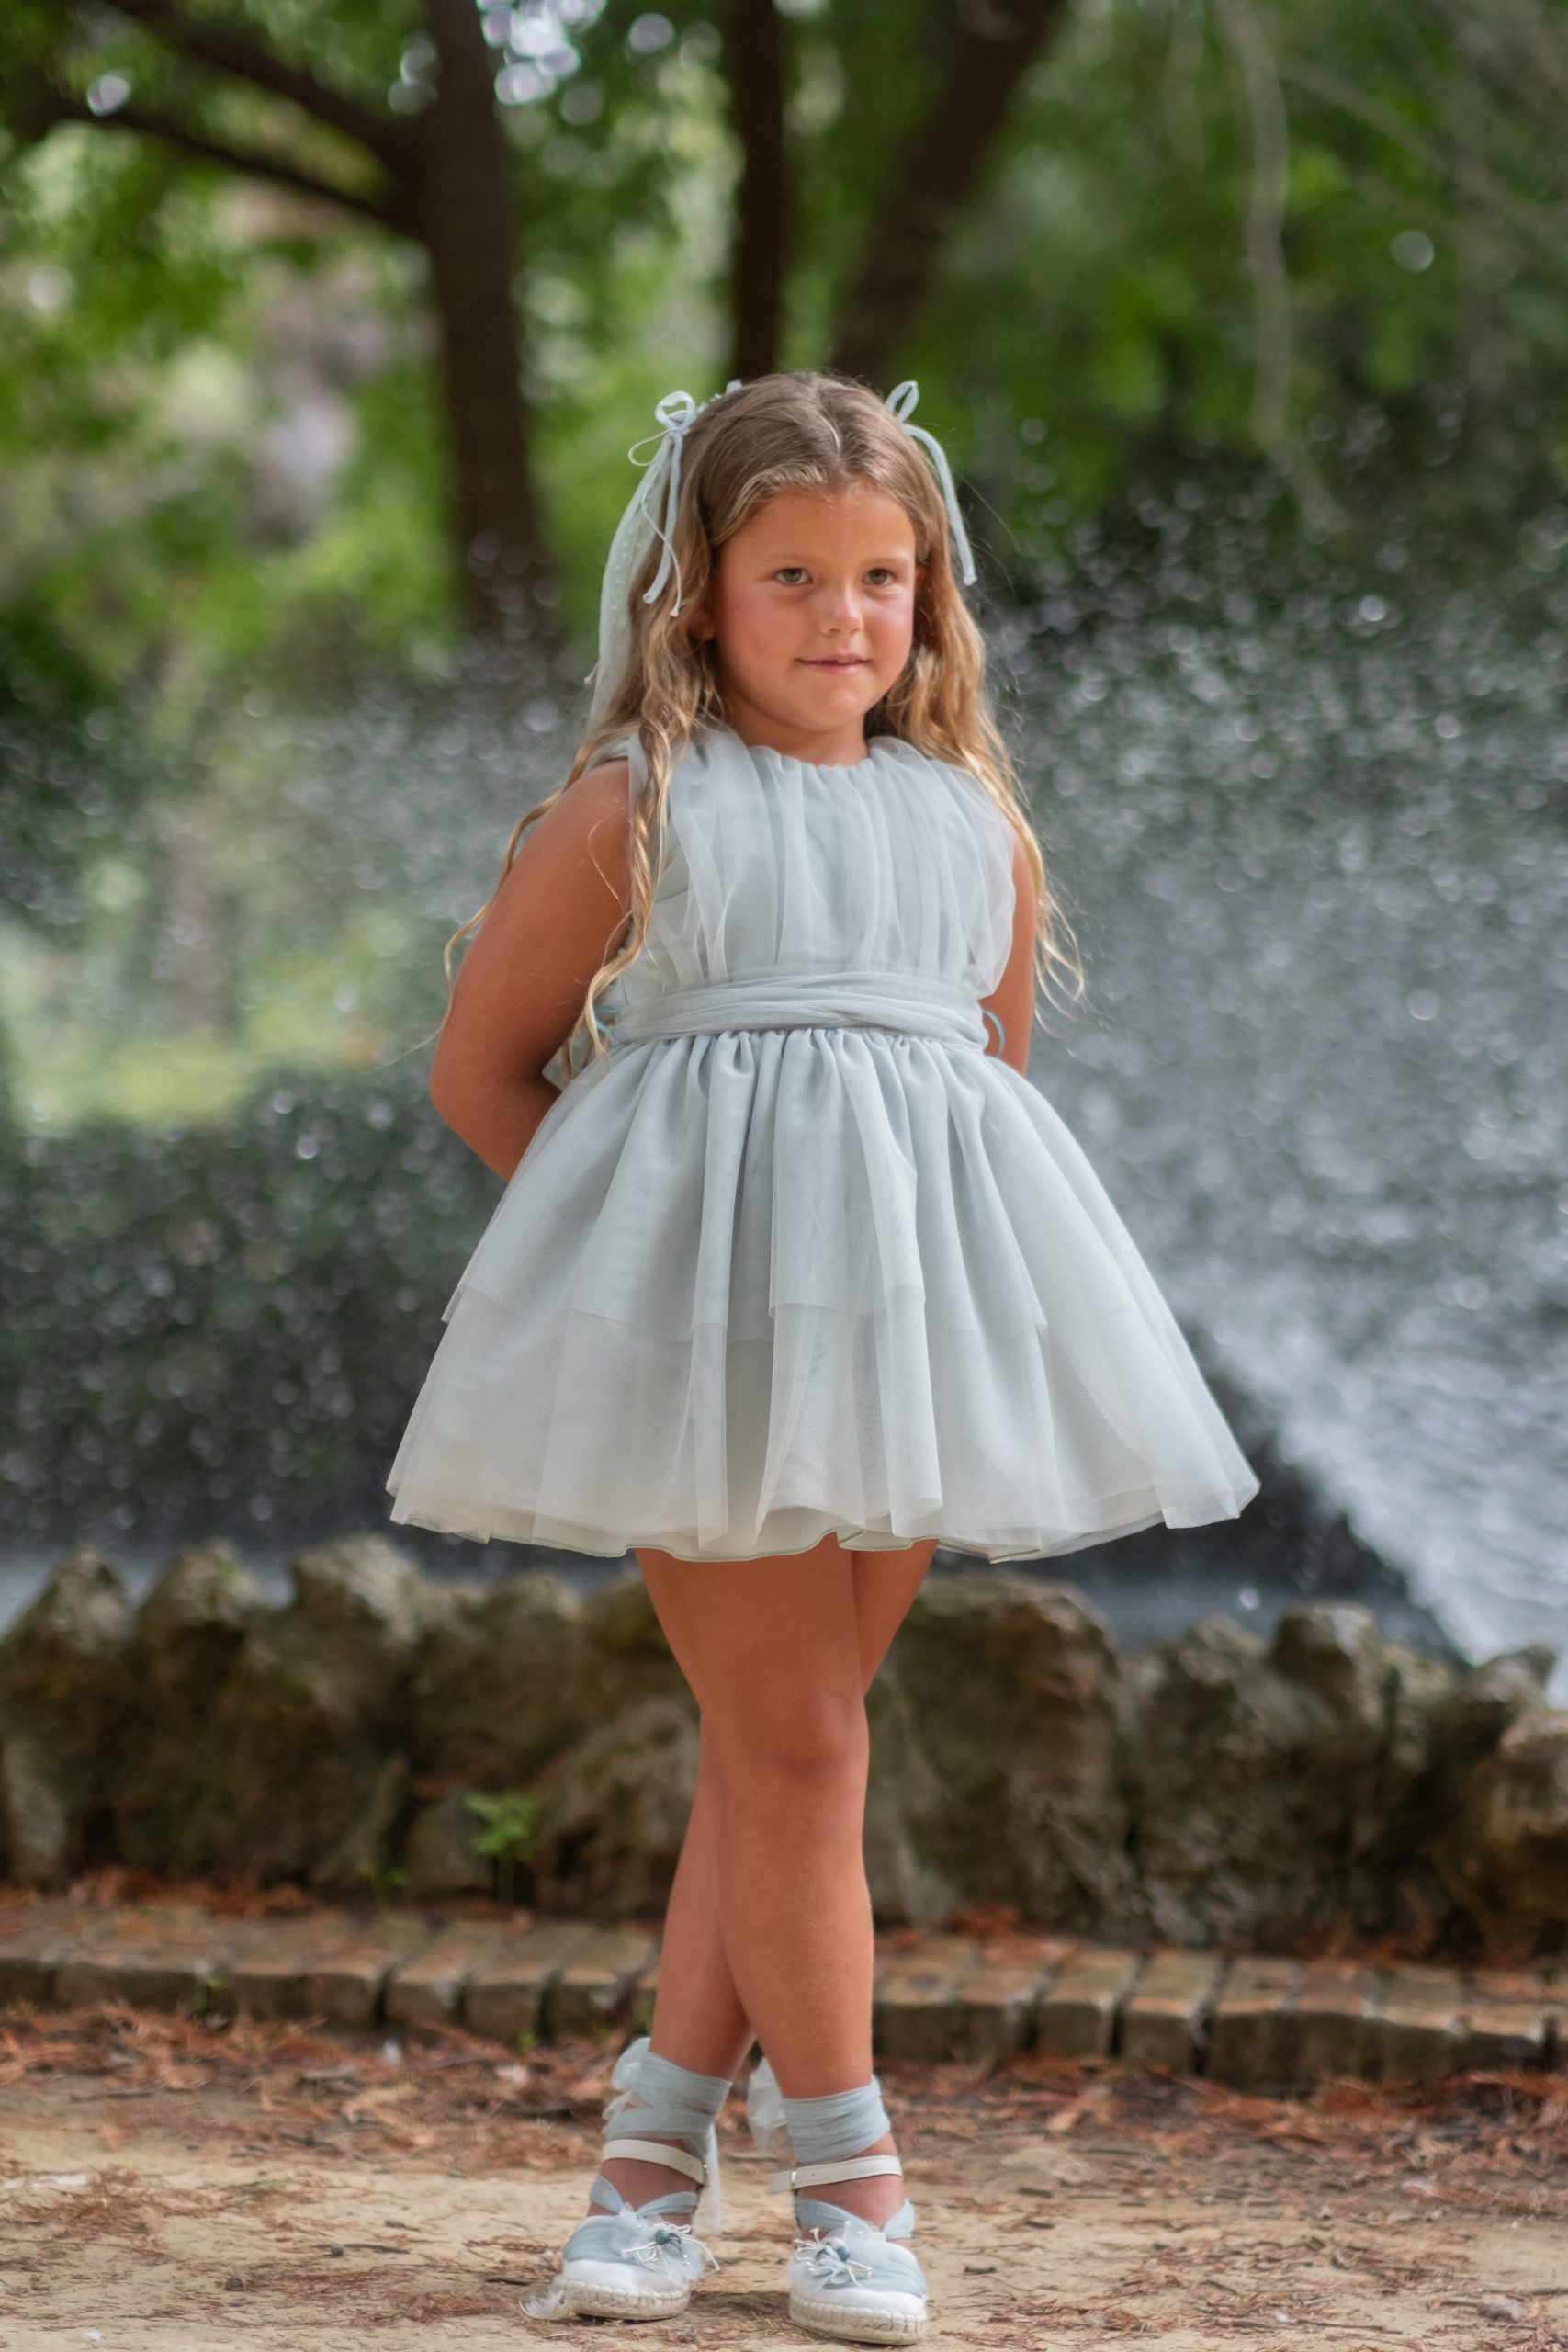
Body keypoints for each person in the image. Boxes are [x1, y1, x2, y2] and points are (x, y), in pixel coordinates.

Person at [385, 371, 1261, 2343]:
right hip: (708, 1355)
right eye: (790, 574)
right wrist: (652, 1266)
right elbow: (481, 1072)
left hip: (904, 1344)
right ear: (694, 592)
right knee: (794, 1749)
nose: (843, 615)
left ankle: (646, 2160)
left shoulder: (974, 829)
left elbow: (976, 1104)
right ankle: (854, 2181)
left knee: (784, 1754)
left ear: (929, 594)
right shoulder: (637, 810)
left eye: (882, 576)